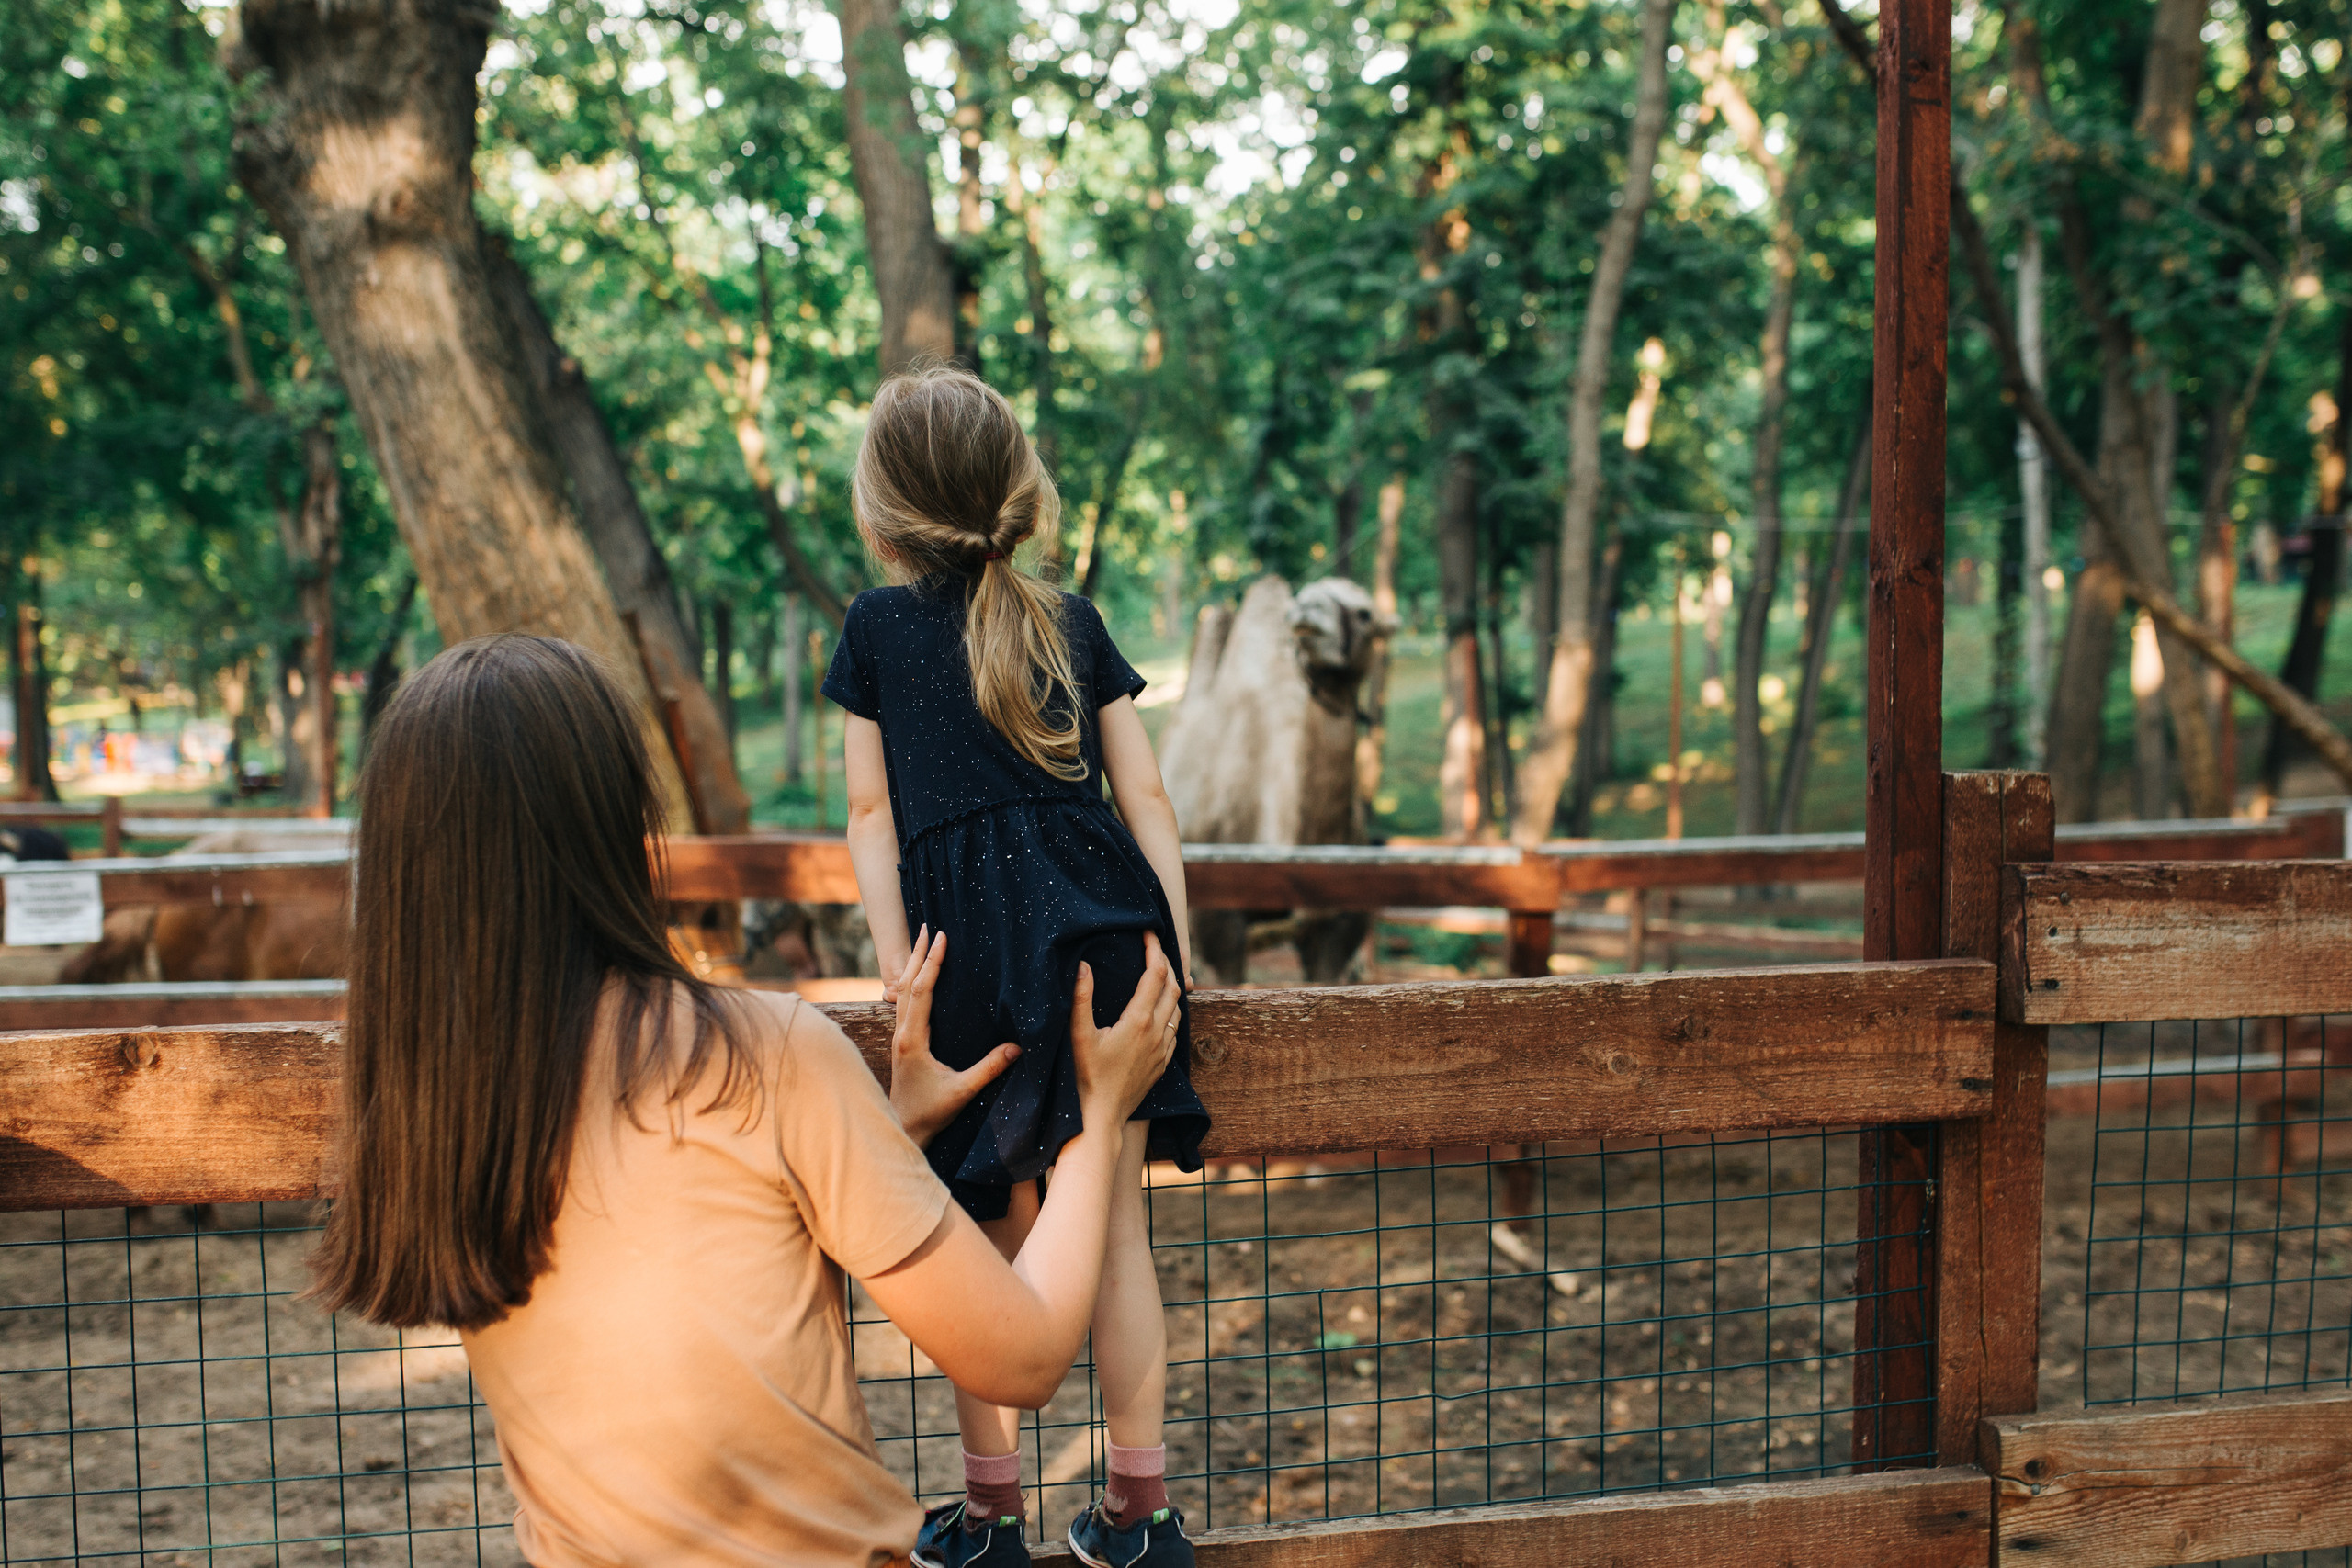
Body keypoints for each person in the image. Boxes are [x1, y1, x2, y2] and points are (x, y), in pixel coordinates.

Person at [309, 634, 1182, 1568]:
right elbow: (1025, 1357)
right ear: (615, 822)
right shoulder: (761, 1056)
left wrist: (891, 1129)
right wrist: (1096, 1110)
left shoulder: (430, 1104)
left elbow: (706, 1257)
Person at [824, 367, 1208, 1568]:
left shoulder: (875, 630)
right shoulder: (1071, 617)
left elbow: (871, 813)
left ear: (884, 513)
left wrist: (903, 976)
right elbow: (1144, 794)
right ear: (1014, 492)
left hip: (969, 953)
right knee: (1124, 1238)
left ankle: (992, 1516)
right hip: (1106, 938)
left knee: (987, 1229)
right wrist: (1175, 965)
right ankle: (1139, 1512)